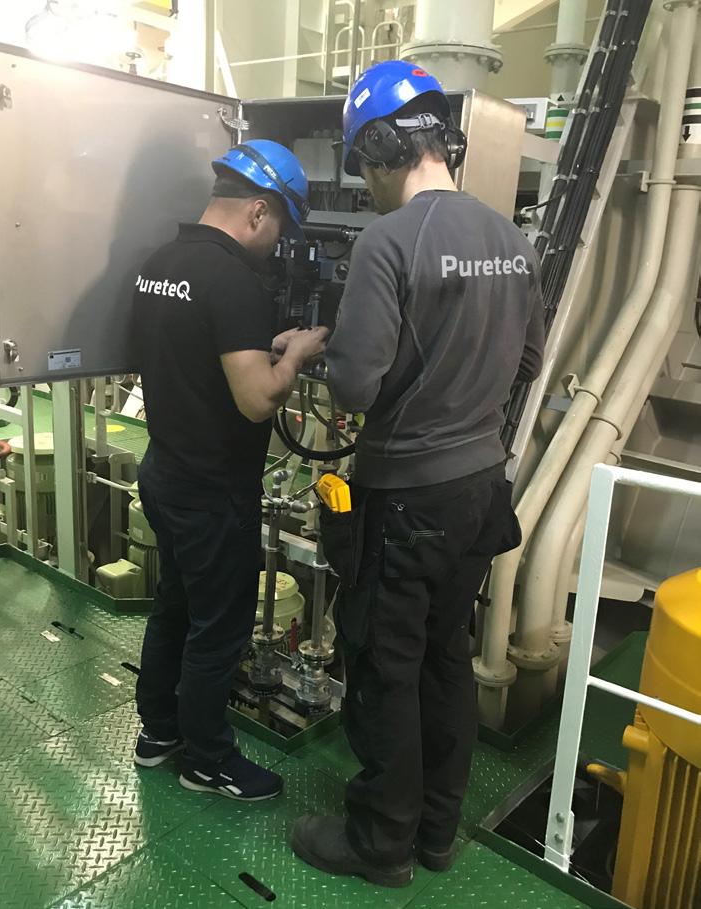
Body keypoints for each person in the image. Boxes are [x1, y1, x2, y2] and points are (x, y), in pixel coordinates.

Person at [291, 61, 545, 887]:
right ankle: (436, 830)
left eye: (362, 167)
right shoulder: (513, 241)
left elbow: (356, 388)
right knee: (444, 656)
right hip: (482, 489)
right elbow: (528, 362)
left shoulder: (389, 243)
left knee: (384, 663)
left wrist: (323, 352)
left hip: (406, 496)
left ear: (379, 148)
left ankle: (380, 842)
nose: (365, 186)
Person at [131, 140, 328, 800]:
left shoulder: (160, 263)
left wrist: (260, 346)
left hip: (165, 471)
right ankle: (208, 761)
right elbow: (257, 401)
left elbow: (195, 349)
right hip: (213, 491)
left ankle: (159, 733)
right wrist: (295, 354)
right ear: (258, 211)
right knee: (218, 631)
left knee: (175, 606)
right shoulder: (236, 280)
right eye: (281, 228)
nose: (278, 246)